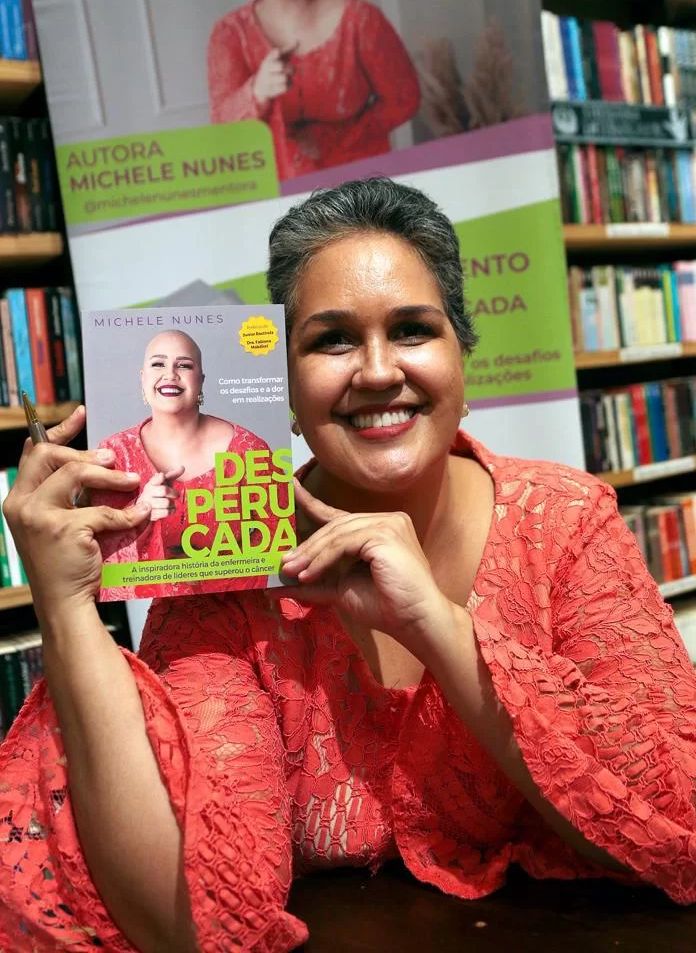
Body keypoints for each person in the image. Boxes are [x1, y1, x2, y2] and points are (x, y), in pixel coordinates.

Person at [1, 177, 696, 953]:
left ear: (462, 356)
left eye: (411, 329)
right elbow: (189, 926)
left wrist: (435, 624)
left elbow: (678, 830)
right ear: (287, 391)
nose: (374, 371)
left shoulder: (565, 522)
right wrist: (64, 611)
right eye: (331, 339)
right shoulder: (228, 560)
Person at [208, 0, 421, 180]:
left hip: (358, 186)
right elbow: (222, 129)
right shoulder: (229, 33)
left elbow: (405, 98)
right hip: (272, 194)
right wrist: (258, 92)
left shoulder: (361, 20)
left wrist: (331, 140)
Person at [93, 328, 285, 599]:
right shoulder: (113, 454)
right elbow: (104, 566)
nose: (170, 374)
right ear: (143, 378)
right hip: (166, 623)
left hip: (246, 614)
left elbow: (282, 552)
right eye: (158, 363)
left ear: (201, 380)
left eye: (184, 365)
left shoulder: (249, 448)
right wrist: (138, 516)